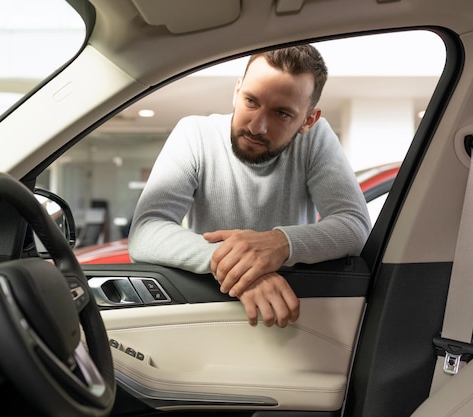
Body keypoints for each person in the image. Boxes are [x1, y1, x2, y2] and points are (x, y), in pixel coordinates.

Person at [128, 45, 371, 328]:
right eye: (251, 101)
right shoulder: (195, 134)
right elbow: (146, 231)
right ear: (236, 91)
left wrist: (279, 244)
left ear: (308, 120)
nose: (257, 126)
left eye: (281, 113)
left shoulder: (315, 139)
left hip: (290, 314)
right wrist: (245, 266)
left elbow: (354, 226)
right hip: (206, 308)